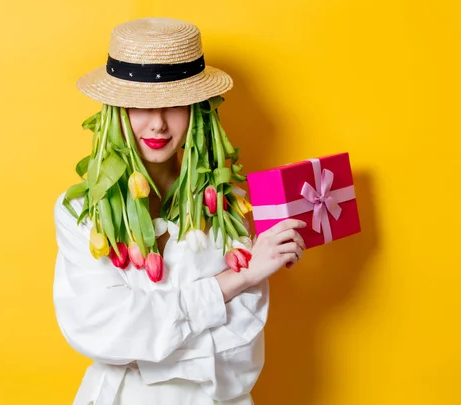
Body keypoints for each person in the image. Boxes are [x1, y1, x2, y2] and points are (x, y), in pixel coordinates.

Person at [53, 17, 306, 405]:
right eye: (139, 105)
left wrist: (146, 347)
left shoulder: (229, 203)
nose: (157, 123)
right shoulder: (82, 212)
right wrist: (232, 282)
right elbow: (99, 331)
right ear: (115, 110)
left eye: (175, 104)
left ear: (199, 110)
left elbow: (241, 347)